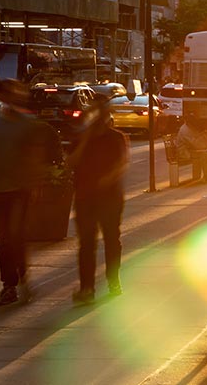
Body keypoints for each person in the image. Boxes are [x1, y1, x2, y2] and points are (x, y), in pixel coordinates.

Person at [0, 80, 60, 306]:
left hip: (21, 190)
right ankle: (10, 284)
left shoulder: (28, 125)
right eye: (10, 94)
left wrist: (36, 184)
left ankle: (20, 276)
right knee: (4, 240)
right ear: (3, 97)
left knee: (16, 236)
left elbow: (36, 156)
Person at [67, 100, 129, 305]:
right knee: (86, 243)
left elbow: (122, 163)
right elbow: (71, 162)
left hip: (110, 198)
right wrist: (85, 139)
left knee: (112, 239)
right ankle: (87, 288)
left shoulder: (116, 138)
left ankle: (113, 280)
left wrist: (108, 178)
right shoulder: (81, 138)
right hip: (85, 198)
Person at [176, 115, 207, 181]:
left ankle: (198, 176)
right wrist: (205, 144)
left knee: (203, 153)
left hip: (189, 150)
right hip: (184, 152)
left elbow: (195, 140)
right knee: (204, 154)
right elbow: (195, 144)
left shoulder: (188, 127)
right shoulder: (186, 130)